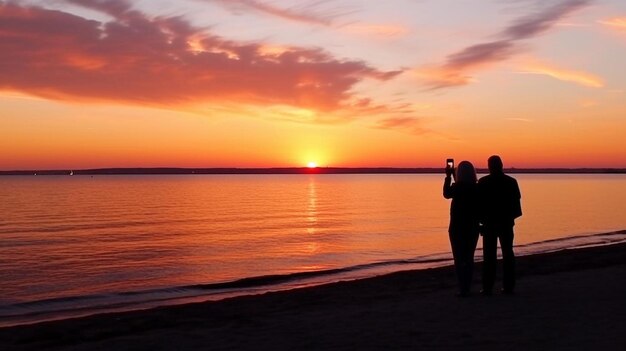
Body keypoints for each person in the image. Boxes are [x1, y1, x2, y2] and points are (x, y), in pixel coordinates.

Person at [478, 155, 522, 295]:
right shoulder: (511, 182)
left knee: (490, 256)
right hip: (505, 223)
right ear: (501, 165)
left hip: (491, 224)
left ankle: (488, 287)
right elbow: (517, 208)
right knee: (507, 254)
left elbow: (478, 206)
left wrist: (481, 221)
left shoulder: (483, 182)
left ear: (490, 166)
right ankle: (507, 286)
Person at [443, 160, 480, 297]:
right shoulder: (476, 188)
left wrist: (448, 176)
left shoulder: (458, 188)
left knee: (459, 258)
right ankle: (467, 287)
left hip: (456, 227)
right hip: (472, 227)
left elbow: (446, 193)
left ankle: (462, 288)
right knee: (469, 257)